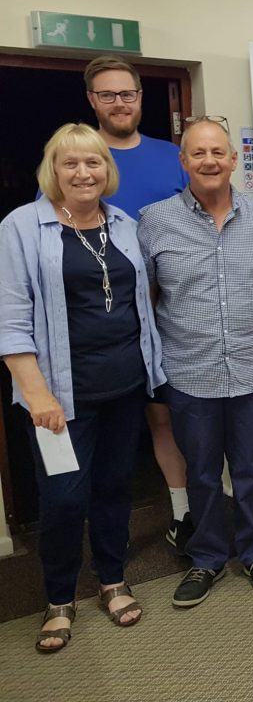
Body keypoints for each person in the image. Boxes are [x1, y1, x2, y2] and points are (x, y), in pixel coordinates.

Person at [0, 123, 164, 652]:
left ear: (106, 170)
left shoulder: (124, 225)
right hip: (58, 398)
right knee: (65, 499)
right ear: (53, 170)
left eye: (93, 162)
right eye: (70, 162)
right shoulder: (22, 226)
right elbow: (10, 319)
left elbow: (142, 299)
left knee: (115, 488)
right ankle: (59, 597)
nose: (83, 172)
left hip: (124, 386)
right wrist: (37, 394)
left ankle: (112, 580)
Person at [137, 118, 253, 607]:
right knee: (202, 472)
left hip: (252, 367)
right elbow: (148, 295)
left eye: (217, 152)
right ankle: (205, 557)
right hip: (189, 372)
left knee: (250, 469)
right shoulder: (154, 220)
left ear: (232, 160)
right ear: (184, 161)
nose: (209, 161)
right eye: (198, 153)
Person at [84, 55, 192, 553]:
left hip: (171, 312)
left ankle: (188, 513)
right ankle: (113, 537)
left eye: (127, 93)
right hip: (104, 321)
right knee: (122, 427)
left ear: (140, 98)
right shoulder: (79, 156)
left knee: (173, 415)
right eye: (107, 95)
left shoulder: (172, 157)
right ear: (92, 100)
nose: (119, 103)